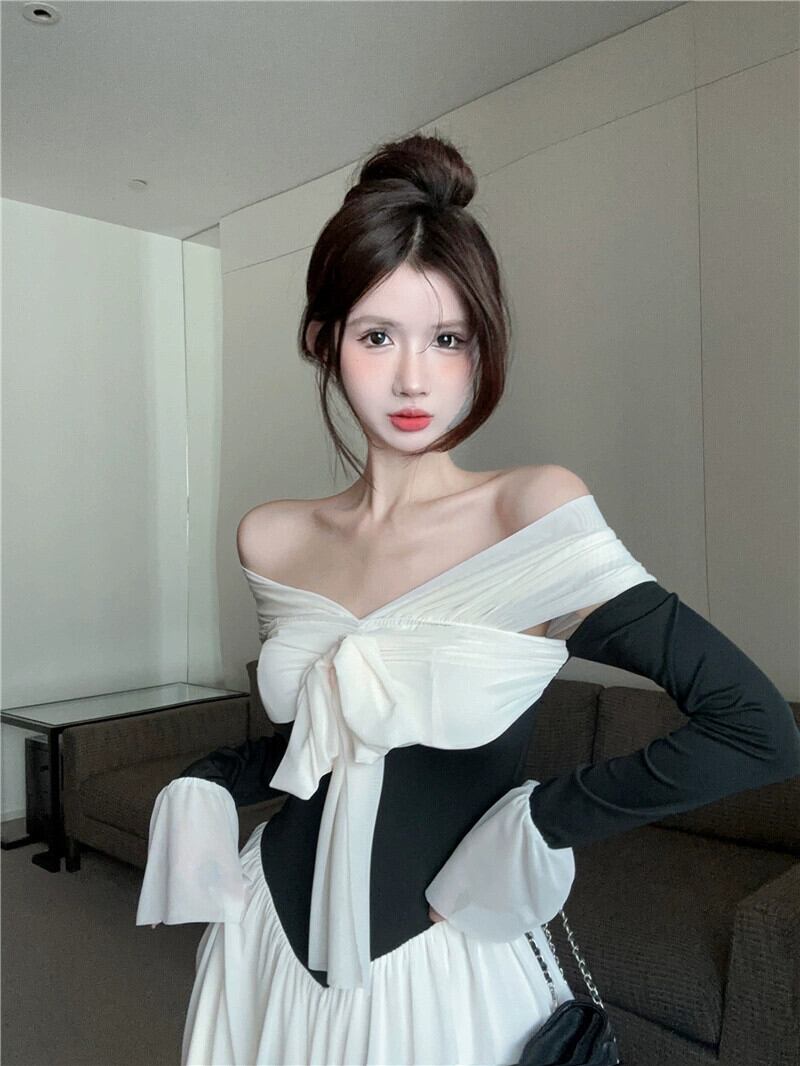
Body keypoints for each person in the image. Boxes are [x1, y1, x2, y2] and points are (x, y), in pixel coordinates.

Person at [135, 132, 800, 1066]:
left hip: (439, 970)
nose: (414, 378)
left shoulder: (532, 516)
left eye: (447, 339)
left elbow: (756, 728)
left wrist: (540, 817)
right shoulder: (274, 538)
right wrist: (214, 776)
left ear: (481, 346)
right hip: (264, 943)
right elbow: (327, 740)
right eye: (378, 336)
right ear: (324, 340)